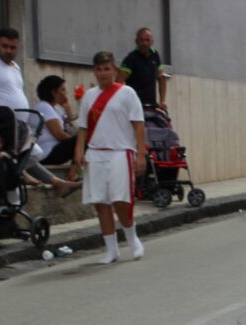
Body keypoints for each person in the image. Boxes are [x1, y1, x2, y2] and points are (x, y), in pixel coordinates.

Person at [0, 29, 80, 195]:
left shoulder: (15, 67)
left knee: (27, 156)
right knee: (30, 155)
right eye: (5, 46)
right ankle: (29, 177)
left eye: (13, 47)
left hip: (17, 126)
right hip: (1, 126)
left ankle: (29, 176)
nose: (8, 50)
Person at [74, 51, 146, 265]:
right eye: (99, 69)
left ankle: (132, 238)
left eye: (107, 69)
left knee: (120, 200)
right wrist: (79, 150)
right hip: (95, 153)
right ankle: (111, 250)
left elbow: (138, 124)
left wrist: (140, 154)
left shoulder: (127, 93)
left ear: (114, 70)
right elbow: (83, 128)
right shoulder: (88, 96)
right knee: (101, 202)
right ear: (94, 71)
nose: (103, 73)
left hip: (120, 151)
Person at [35, 75, 78, 172]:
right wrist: (79, 142)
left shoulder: (56, 109)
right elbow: (60, 135)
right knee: (82, 139)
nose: (65, 93)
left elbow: (70, 131)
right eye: (62, 90)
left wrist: (68, 110)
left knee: (82, 139)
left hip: (55, 150)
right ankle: (74, 171)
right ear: (54, 92)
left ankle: (75, 169)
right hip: (47, 153)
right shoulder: (44, 107)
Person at [118, 27, 167, 111]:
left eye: (147, 40)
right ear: (136, 42)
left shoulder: (155, 55)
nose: (144, 43)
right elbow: (118, 81)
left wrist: (162, 101)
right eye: (141, 40)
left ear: (152, 41)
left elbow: (161, 77)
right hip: (134, 107)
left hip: (151, 106)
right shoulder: (131, 58)